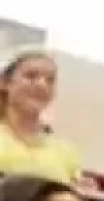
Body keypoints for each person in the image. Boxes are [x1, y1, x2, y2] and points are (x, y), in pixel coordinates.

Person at [0, 48, 80, 184]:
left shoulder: (65, 152)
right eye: (30, 76)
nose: (42, 85)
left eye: (49, 80)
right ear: (5, 83)